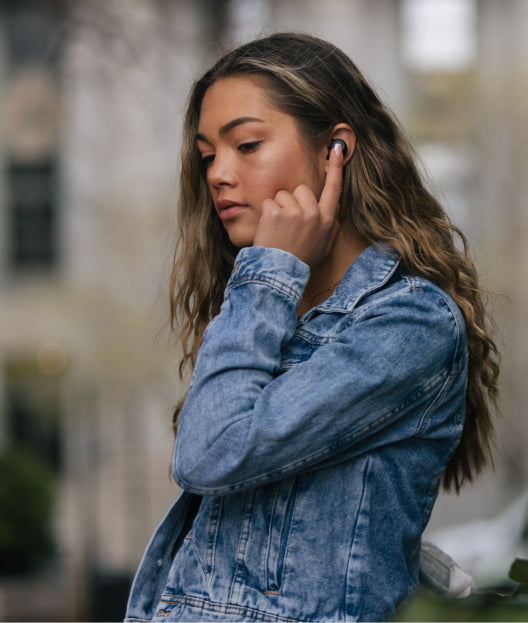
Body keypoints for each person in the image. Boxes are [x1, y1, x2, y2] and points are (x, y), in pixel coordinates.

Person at [124, 33, 500, 622]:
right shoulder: (271, 309)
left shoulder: (410, 323)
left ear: (337, 152)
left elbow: (211, 453)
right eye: (207, 155)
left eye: (246, 145)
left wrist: (270, 272)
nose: (219, 173)